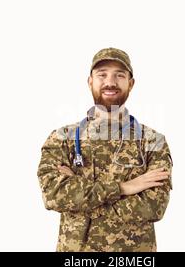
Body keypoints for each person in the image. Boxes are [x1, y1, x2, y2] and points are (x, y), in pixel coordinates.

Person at [37, 47, 173, 252]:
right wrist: (124, 188)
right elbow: (53, 195)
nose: (110, 82)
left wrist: (81, 195)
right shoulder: (62, 138)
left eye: (120, 75)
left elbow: (154, 207)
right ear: (90, 81)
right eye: (102, 75)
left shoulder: (153, 141)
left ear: (131, 83)